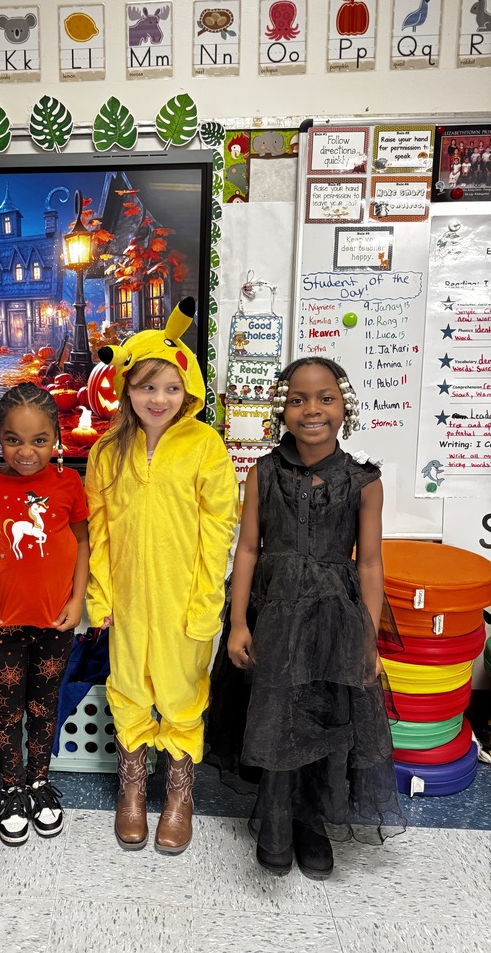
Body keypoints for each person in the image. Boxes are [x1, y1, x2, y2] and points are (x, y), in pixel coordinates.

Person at [206, 357, 405, 880]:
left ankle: (314, 824)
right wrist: (239, 624)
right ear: (281, 409)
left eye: (325, 398)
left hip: (335, 620)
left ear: (345, 407)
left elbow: (371, 563)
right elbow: (248, 549)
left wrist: (368, 636)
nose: (311, 409)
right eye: (297, 399)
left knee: (324, 717)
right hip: (272, 616)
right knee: (276, 716)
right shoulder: (264, 472)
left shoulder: (364, 481)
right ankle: (274, 824)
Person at [86, 297, 237, 855]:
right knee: (127, 687)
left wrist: (207, 599)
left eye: (172, 388)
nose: (160, 399)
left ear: (189, 390)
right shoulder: (106, 452)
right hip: (126, 597)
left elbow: (220, 526)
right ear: (126, 389)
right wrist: (100, 592)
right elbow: (98, 528)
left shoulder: (205, 447)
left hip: (182, 599)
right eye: (148, 387)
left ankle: (178, 793)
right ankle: (132, 787)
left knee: (180, 693)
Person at [0, 383, 89, 846]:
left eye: (39, 440)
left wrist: (77, 599)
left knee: (44, 706)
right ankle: (11, 789)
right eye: (14, 440)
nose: (26, 452)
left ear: (57, 440)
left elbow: (83, 542)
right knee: (6, 711)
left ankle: (40, 783)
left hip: (54, 623)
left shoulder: (68, 484)